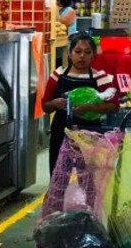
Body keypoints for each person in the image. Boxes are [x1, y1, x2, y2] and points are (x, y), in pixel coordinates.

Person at [41, 32, 120, 173]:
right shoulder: (57, 76)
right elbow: (45, 106)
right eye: (78, 51)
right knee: (58, 175)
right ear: (70, 53)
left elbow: (114, 106)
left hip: (89, 134)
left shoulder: (101, 78)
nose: (82, 56)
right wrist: (54, 103)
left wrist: (90, 108)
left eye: (87, 52)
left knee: (88, 177)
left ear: (93, 55)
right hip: (61, 132)